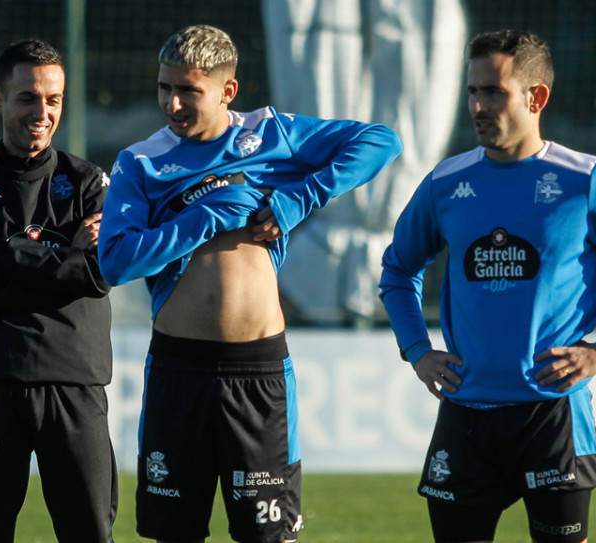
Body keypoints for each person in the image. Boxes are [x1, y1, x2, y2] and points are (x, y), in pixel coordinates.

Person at [98, 24, 402, 543]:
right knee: (174, 534)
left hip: (258, 372)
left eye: (188, 90)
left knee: (269, 537)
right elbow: (116, 262)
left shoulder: (270, 134)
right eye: (164, 88)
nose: (172, 104)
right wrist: (208, 217)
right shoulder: (140, 162)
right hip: (178, 368)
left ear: (227, 91)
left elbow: (380, 141)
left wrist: (298, 198)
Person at [379, 30, 596, 543]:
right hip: (466, 413)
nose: (477, 105)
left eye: (493, 92)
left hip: (553, 415)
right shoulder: (445, 184)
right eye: (472, 91)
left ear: (535, 97)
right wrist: (417, 351)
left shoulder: (586, 181)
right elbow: (396, 271)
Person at [0, 39, 117, 543]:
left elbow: (100, 272)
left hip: (73, 382)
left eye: (53, 100)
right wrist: (67, 263)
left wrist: (4, 254)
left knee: (90, 533)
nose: (42, 112)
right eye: (28, 98)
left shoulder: (90, 185)